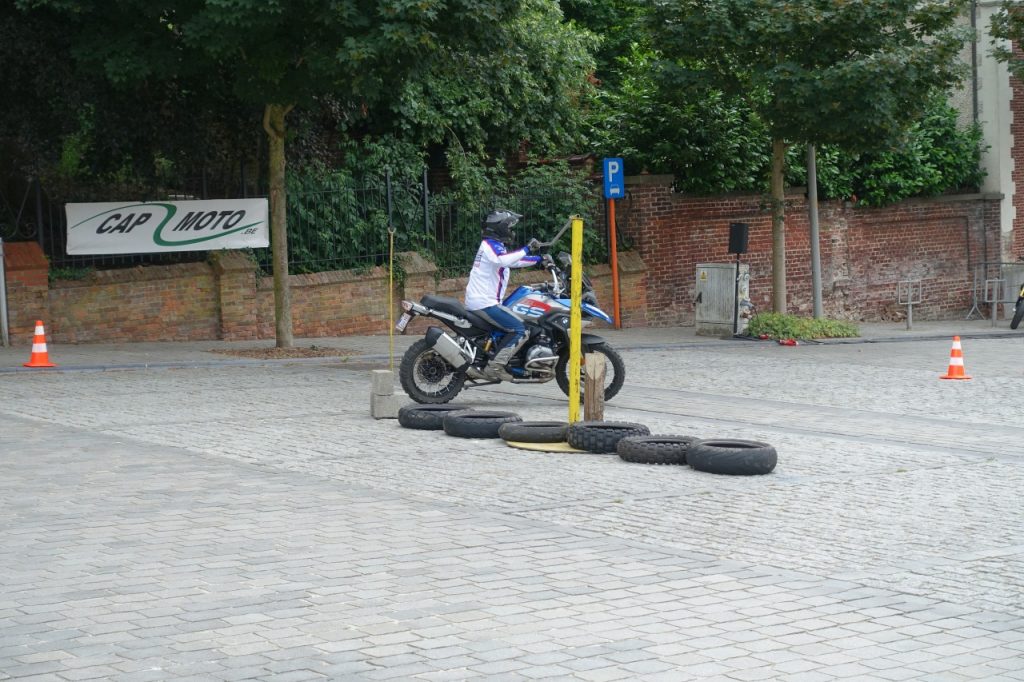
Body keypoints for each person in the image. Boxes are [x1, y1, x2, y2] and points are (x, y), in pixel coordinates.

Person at [464, 209, 542, 378]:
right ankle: (495, 367)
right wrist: (527, 248)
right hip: (484, 303)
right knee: (520, 329)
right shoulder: (490, 245)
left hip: (484, 301)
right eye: (509, 226)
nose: (511, 231)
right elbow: (503, 260)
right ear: (500, 228)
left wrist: (540, 259)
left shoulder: (493, 246)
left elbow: (512, 262)